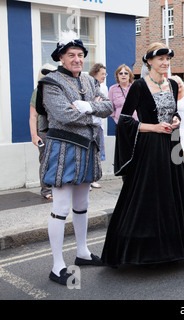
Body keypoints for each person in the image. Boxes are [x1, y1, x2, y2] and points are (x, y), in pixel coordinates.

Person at [101, 42, 184, 267]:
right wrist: (153, 127)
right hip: (150, 146)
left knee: (178, 194)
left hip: (171, 143)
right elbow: (124, 120)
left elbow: (173, 113)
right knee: (149, 195)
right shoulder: (140, 86)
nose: (165, 63)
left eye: (168, 59)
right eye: (160, 59)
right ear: (149, 62)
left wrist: (175, 120)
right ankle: (147, 252)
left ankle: (181, 248)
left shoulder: (173, 84)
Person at [36, 30, 113, 285]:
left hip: (87, 148)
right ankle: (57, 266)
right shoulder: (50, 83)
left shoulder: (91, 81)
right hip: (63, 150)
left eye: (81, 55)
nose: (77, 59)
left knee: (82, 205)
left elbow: (109, 107)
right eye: (72, 55)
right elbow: (62, 115)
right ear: (61, 57)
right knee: (60, 209)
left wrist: (88, 107)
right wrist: (93, 114)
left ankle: (82, 252)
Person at [29, 64, 56, 200]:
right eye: (47, 73)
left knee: (57, 160)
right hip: (44, 131)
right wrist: (34, 135)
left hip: (57, 130)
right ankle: (46, 190)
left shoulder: (58, 91)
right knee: (45, 160)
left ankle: (57, 189)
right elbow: (33, 116)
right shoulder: (38, 91)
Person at [89, 63, 109, 188]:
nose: (104, 76)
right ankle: (87, 180)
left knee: (97, 152)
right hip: (89, 123)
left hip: (99, 123)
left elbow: (106, 105)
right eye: (102, 74)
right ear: (95, 73)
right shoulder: (89, 85)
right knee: (89, 152)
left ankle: (93, 178)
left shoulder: (104, 87)